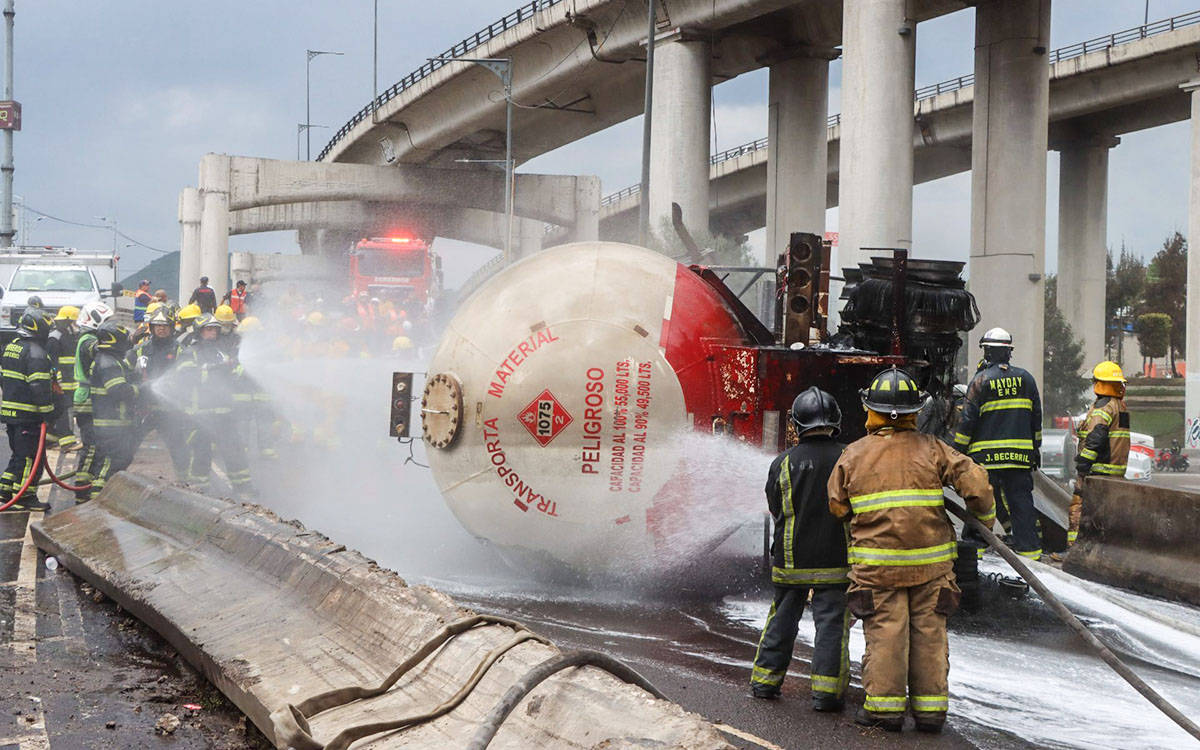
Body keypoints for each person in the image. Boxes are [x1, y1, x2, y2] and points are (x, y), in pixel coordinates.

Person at [828, 366, 995, 733]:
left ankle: (886, 711)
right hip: (932, 569)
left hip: (877, 569)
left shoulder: (853, 455)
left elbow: (837, 506)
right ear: (914, 413)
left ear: (870, 409)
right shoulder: (934, 449)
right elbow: (978, 488)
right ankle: (930, 713)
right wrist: (987, 518)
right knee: (930, 635)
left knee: (887, 633)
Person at [750, 387, 850, 712]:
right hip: (837, 562)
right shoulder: (849, 458)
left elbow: (775, 508)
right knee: (831, 626)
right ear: (835, 420)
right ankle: (826, 695)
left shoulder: (783, 462)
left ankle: (765, 683)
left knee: (781, 620)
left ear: (796, 423)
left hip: (790, 561)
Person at [952, 327, 1044, 560]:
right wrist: (1035, 450)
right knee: (1021, 503)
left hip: (986, 459)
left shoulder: (980, 381)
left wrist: (957, 454)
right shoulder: (1027, 379)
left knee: (980, 502)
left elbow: (967, 422)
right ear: (1009, 352)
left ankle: (975, 552)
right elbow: (1036, 419)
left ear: (988, 352)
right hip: (1020, 457)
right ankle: (1030, 553)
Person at [169, 314, 255, 497]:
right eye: (209, 329)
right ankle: (199, 492)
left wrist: (242, 371)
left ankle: (244, 489)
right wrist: (217, 372)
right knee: (201, 454)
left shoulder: (220, 352)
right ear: (200, 331)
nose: (213, 333)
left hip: (225, 413)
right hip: (200, 414)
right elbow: (187, 376)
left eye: (215, 329)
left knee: (235, 451)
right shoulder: (190, 352)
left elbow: (232, 373)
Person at [0, 309, 57, 511]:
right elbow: (39, 387)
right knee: (31, 457)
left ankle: (5, 489)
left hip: (10, 412)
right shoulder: (37, 354)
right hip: (29, 414)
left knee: (18, 454)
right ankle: (24, 496)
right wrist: (48, 413)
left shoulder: (10, 347)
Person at [1070, 361, 1130, 545]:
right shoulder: (1120, 406)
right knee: (1107, 516)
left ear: (1098, 383)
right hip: (1116, 471)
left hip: (1097, 471)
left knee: (1079, 509)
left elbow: (1096, 438)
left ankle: (1074, 550)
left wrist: (1083, 463)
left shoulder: (1103, 406)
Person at [132, 307, 190, 479]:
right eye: (157, 325)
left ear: (172, 327)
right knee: (127, 447)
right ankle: (111, 483)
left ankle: (184, 483)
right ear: (152, 327)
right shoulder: (141, 349)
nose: (161, 328)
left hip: (168, 411)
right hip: (143, 408)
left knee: (178, 449)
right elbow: (127, 372)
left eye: (165, 325)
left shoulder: (180, 350)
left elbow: (185, 376)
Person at [87, 321, 139, 501]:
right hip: (111, 424)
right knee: (108, 465)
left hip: (115, 423)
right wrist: (141, 389)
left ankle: (107, 500)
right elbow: (119, 392)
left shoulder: (108, 360)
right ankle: (97, 503)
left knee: (120, 461)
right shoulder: (108, 363)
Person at [72, 301, 114, 502]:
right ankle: (82, 491)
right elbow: (105, 351)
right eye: (107, 322)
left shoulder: (88, 338)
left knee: (98, 445)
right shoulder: (88, 340)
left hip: (92, 398)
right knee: (91, 446)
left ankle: (88, 489)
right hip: (87, 399)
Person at [46, 305, 81, 450]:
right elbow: (53, 362)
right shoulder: (55, 337)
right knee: (66, 410)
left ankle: (50, 438)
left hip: (70, 381)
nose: (76, 325)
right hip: (62, 382)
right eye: (74, 321)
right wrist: (57, 381)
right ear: (68, 321)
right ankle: (67, 442)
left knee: (61, 410)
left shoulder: (68, 335)